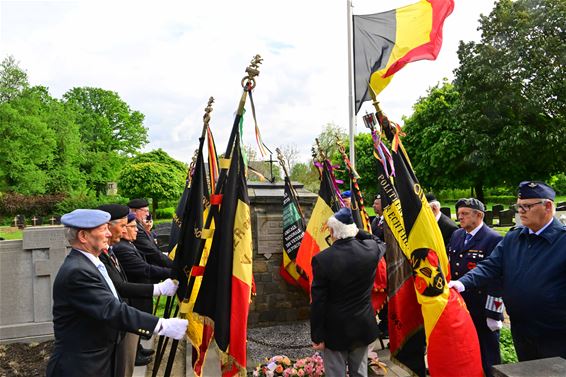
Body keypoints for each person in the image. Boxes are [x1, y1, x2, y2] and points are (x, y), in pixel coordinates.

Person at [46, 209, 188, 377]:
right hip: (82, 366)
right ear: (83, 236)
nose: (108, 234)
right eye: (103, 229)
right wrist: (162, 325)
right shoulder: (78, 271)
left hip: (99, 359)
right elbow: (112, 309)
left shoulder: (90, 262)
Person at [449, 181, 566, 362]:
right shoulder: (514, 237)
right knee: (527, 371)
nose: (520, 211)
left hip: (555, 332)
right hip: (521, 329)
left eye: (527, 206)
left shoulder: (562, 241)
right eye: (518, 206)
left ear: (548, 206)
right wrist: (462, 283)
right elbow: (490, 266)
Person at [98, 204, 178, 373]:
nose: (108, 234)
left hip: (125, 310)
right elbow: (120, 286)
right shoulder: (92, 261)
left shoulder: (111, 250)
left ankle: (136, 351)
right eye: (123, 226)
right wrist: (161, 323)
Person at [310, 207, 386, 377]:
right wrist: (358, 231)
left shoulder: (322, 259)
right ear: (352, 229)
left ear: (332, 231)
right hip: (362, 325)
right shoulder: (371, 250)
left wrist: (317, 335)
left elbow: (318, 301)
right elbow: (380, 242)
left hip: (335, 330)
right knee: (359, 373)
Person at [447, 198, 503, 377]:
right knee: (465, 348)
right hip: (461, 304)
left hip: (482, 304)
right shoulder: (457, 234)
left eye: (465, 214)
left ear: (479, 215)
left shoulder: (493, 239)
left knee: (487, 351)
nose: (460, 217)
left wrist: (494, 313)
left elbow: (498, 277)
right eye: (459, 214)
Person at [113, 212, 175, 362]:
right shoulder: (122, 248)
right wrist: (172, 273)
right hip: (135, 291)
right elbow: (144, 269)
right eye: (132, 227)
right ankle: (134, 355)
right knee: (133, 328)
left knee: (136, 329)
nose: (136, 230)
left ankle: (137, 350)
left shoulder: (128, 244)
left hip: (140, 289)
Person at [127, 198, 172, 268]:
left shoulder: (139, 225)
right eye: (146, 211)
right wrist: (174, 265)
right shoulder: (136, 229)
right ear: (135, 211)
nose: (148, 214)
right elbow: (152, 252)